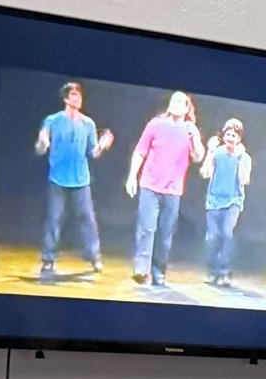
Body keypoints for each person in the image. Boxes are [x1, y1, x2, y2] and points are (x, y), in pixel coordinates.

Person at [32, 81, 113, 278]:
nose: (78, 98)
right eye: (74, 94)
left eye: (79, 94)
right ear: (66, 98)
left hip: (81, 181)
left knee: (88, 220)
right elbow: (40, 148)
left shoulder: (88, 124)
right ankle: (48, 259)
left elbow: (93, 153)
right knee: (54, 219)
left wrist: (102, 145)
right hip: (58, 180)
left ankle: (94, 257)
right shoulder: (52, 120)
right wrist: (42, 142)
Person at [127, 91, 203, 286]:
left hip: (173, 190)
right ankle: (141, 270)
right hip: (150, 185)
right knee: (147, 228)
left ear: (187, 108)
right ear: (169, 105)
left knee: (164, 233)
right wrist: (132, 177)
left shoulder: (189, 130)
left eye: (181, 102)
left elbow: (198, 156)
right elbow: (140, 151)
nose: (177, 104)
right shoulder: (155, 124)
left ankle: (158, 272)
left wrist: (194, 135)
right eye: (174, 100)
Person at [200, 118, 251, 289]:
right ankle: (213, 271)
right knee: (213, 237)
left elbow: (245, 180)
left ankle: (225, 272)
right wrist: (209, 151)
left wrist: (238, 159)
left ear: (239, 138)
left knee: (226, 234)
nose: (230, 137)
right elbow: (205, 173)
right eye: (228, 134)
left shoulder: (244, 157)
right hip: (214, 200)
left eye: (234, 135)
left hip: (233, 201)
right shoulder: (217, 152)